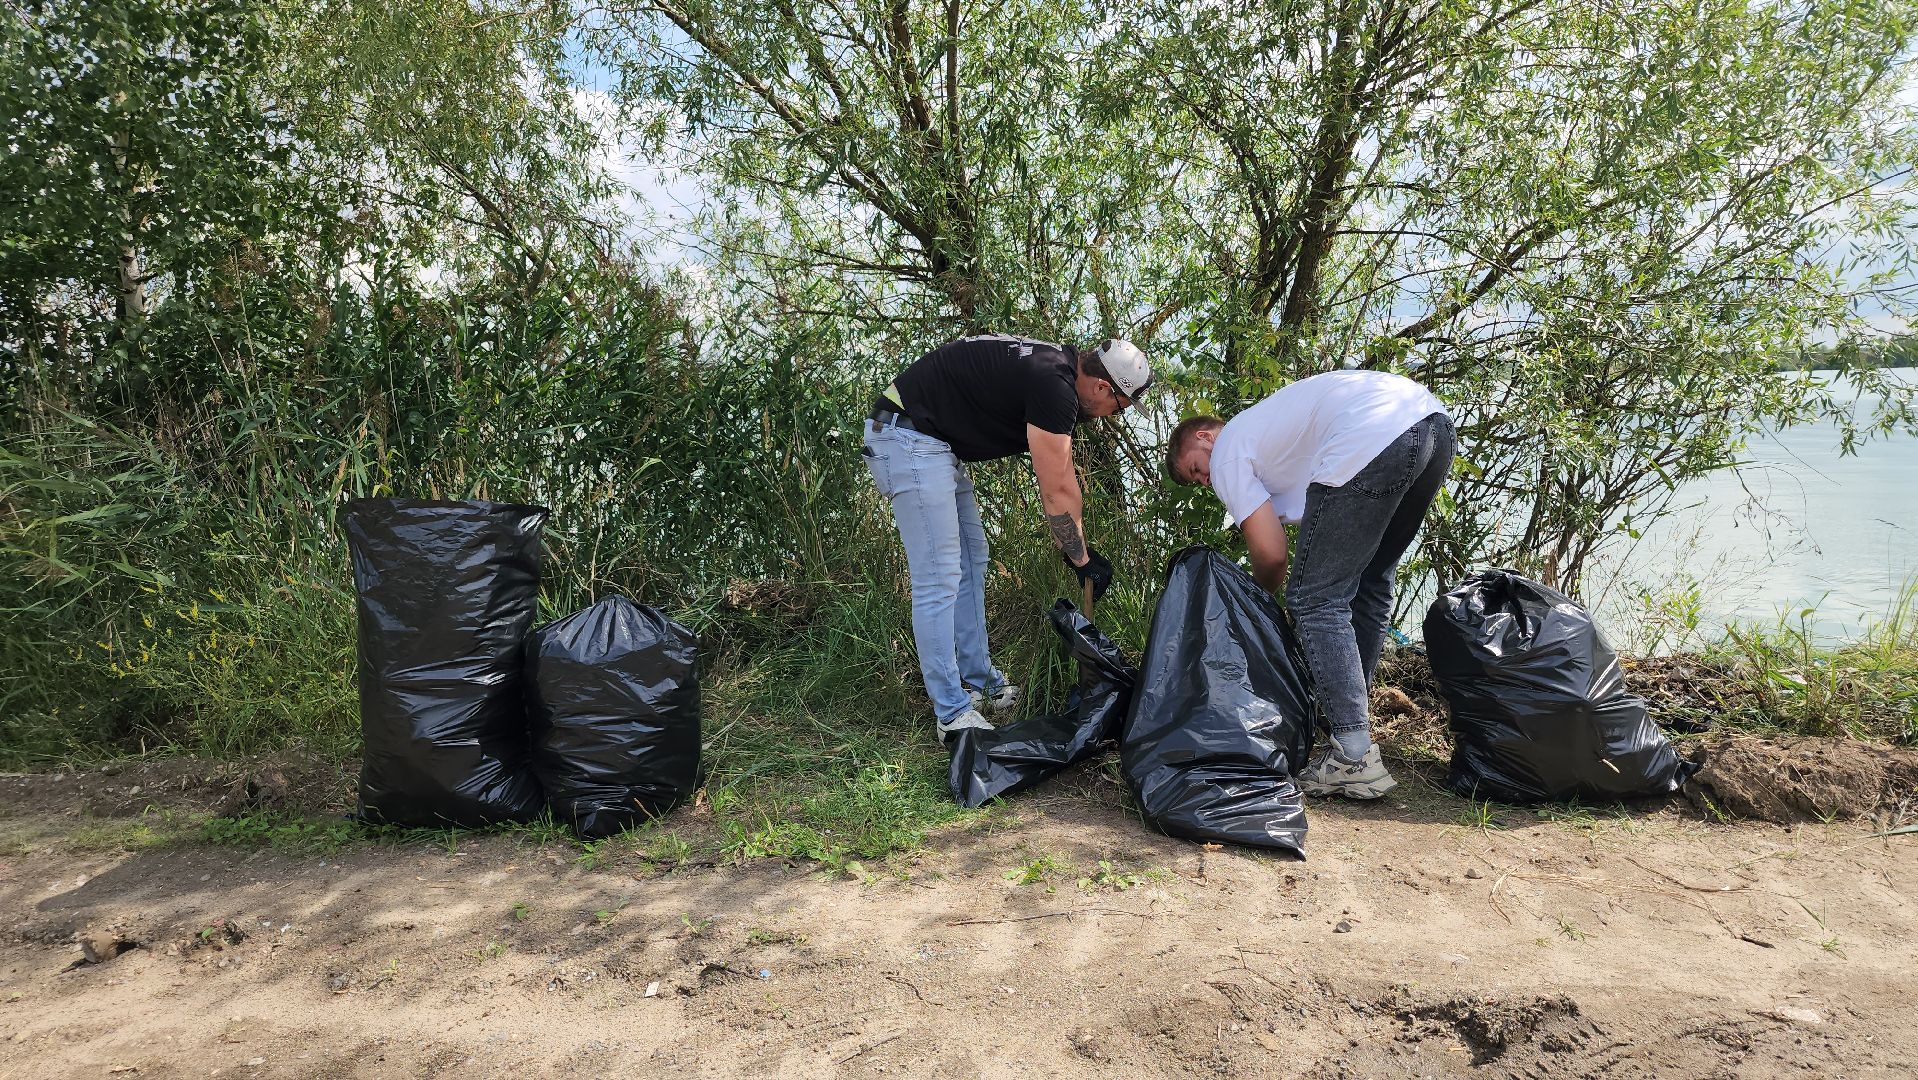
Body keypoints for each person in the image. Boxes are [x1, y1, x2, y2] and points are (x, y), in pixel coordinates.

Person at [1165, 370, 1453, 798]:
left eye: (1196, 470)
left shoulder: (1227, 450)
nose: (1206, 482)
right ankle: (1346, 726)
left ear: (1205, 437)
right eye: (1198, 482)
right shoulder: (1267, 433)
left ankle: (1353, 754)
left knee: (1315, 599)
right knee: (1370, 583)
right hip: (1432, 425)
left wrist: (1255, 606)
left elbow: (1271, 554)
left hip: (1373, 434)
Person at [865, 335, 1153, 744]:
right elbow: (1054, 490)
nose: (1113, 416)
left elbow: (1066, 481)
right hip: (908, 437)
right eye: (1119, 407)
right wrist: (1081, 560)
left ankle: (981, 682)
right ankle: (952, 713)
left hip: (932, 442)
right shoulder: (1054, 386)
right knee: (939, 576)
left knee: (971, 560)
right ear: (1103, 388)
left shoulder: (1057, 370)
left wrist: (1081, 552)